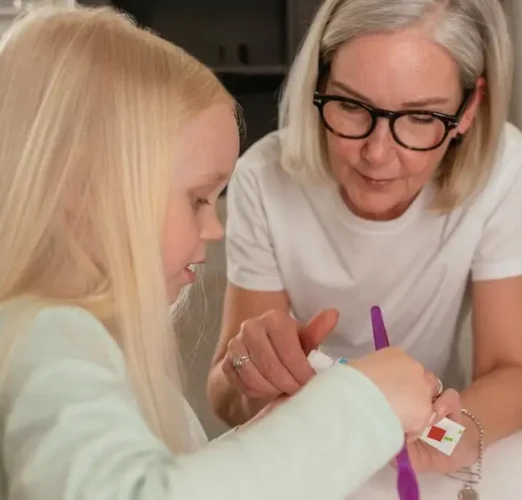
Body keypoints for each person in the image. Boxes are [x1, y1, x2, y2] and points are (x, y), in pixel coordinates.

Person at [0, 6, 445, 500]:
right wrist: (365, 404)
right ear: (85, 186)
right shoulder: (52, 338)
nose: (213, 228)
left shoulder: (70, 341)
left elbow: (183, 481)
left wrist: (289, 426)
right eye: (197, 199)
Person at [208, 0, 522, 476]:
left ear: (470, 109)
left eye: (420, 118)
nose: (377, 153)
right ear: (319, 85)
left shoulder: (501, 168)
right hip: (308, 454)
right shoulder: (263, 177)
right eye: (350, 105)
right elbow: (225, 391)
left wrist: (454, 435)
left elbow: (517, 368)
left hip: (420, 448)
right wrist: (251, 374)